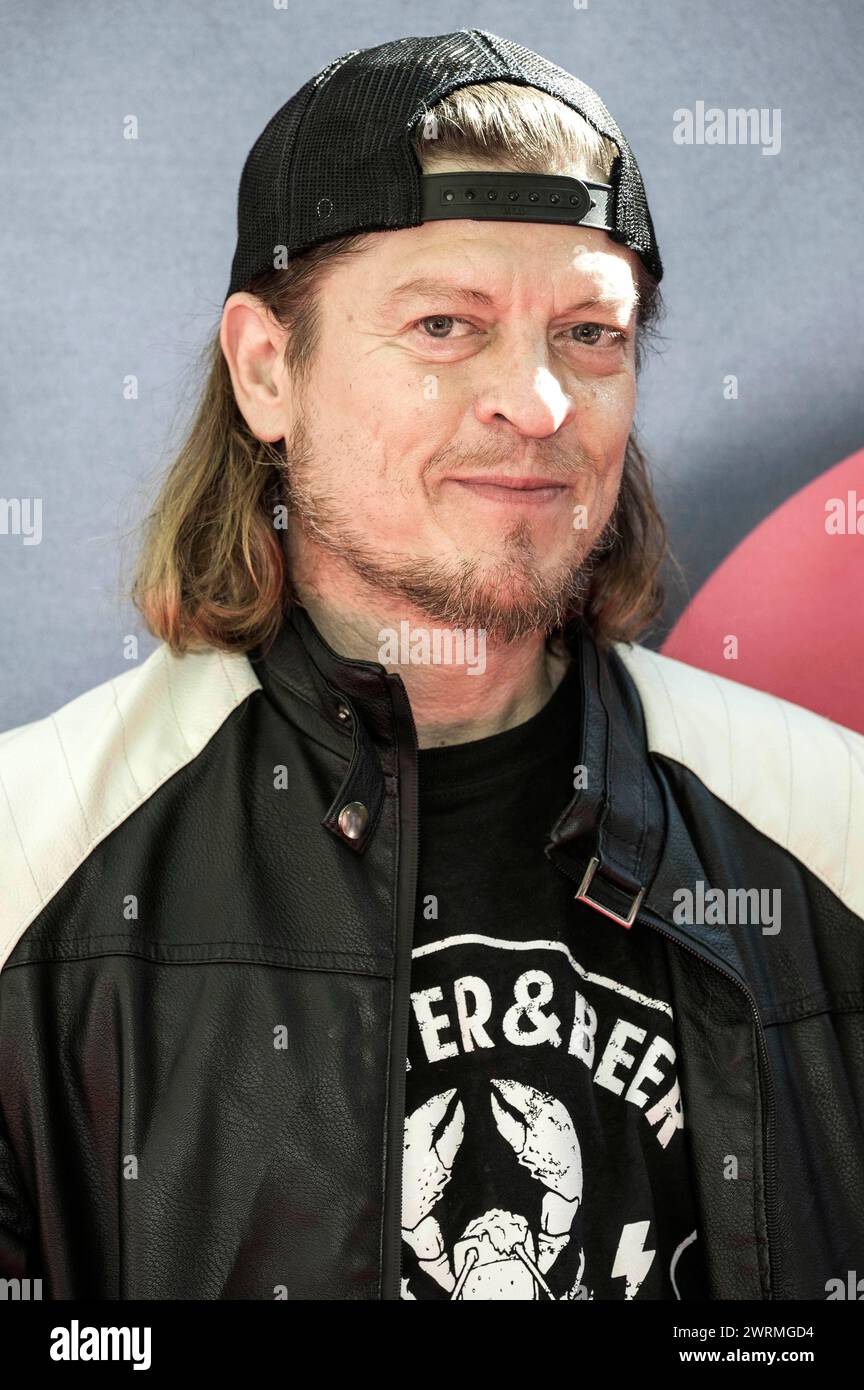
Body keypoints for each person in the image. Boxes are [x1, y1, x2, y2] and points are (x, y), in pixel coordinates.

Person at [1, 28, 862, 1302]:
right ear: (267, 369)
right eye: (447, 324)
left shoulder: (832, 828)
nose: (539, 402)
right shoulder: (31, 858)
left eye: (589, 333)